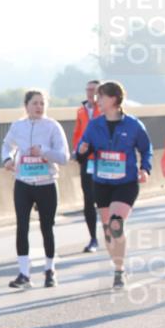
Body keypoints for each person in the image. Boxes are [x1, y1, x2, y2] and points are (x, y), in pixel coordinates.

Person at [75, 80, 153, 289]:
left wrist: (145, 169)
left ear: (114, 99)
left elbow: (146, 149)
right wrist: (81, 150)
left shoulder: (133, 125)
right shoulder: (94, 125)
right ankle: (119, 266)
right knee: (108, 229)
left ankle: (119, 272)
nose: (97, 100)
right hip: (102, 182)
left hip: (126, 183)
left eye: (101, 96)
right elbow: (81, 152)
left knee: (116, 223)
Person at [1, 90, 70, 289]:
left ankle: (50, 270)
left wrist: (44, 151)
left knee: (47, 227)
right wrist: (7, 159)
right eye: (35, 103)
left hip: (46, 183)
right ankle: (24, 273)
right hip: (23, 182)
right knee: (21, 227)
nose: (39, 107)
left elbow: (64, 157)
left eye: (42, 103)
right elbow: (7, 145)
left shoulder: (52, 126)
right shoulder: (18, 126)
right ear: (26, 106)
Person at [71, 79, 102, 253]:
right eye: (88, 89)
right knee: (88, 200)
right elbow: (77, 134)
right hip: (87, 161)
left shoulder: (105, 110)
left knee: (105, 200)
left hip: (104, 161)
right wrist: (77, 152)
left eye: (94, 90)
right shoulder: (81, 111)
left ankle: (112, 234)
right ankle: (93, 238)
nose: (90, 93)